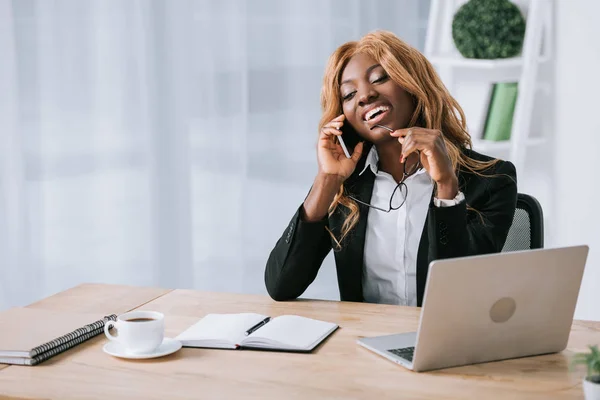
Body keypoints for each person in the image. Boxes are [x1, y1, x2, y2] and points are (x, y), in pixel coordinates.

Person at [264, 31, 517, 307]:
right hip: (365, 342)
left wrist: (446, 187)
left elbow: (459, 295)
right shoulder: (347, 187)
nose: (365, 95)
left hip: (446, 343)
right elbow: (281, 285)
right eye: (349, 94)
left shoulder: (493, 180)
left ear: (413, 85)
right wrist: (328, 179)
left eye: (380, 78)